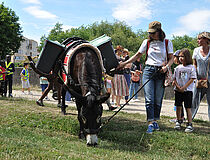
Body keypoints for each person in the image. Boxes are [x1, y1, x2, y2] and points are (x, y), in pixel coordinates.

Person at [118, 21, 174, 134]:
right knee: (149, 99)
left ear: (159, 32)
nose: (151, 35)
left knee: (158, 99)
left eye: (153, 33)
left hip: (161, 72)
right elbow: (138, 55)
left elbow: (171, 58)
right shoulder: (147, 42)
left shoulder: (167, 42)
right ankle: (150, 122)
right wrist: (124, 64)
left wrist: (166, 67)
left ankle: (155, 120)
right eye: (150, 33)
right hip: (148, 70)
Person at [173, 49, 196, 132]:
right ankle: (178, 121)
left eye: (182, 56)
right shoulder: (177, 68)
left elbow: (192, 78)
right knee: (178, 106)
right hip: (178, 91)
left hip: (188, 91)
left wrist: (184, 87)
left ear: (187, 57)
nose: (180, 58)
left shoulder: (191, 67)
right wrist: (178, 87)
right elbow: (174, 78)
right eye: (179, 57)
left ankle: (189, 123)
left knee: (188, 107)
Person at [191, 32, 210, 121]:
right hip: (199, 80)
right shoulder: (196, 50)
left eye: (199, 39)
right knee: (194, 100)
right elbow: (194, 64)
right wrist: (195, 75)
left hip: (209, 81)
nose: (198, 41)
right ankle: (189, 120)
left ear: (206, 39)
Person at [169, 50, 185, 123]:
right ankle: (181, 116)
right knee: (179, 103)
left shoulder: (180, 67)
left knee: (178, 103)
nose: (173, 59)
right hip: (179, 87)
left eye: (174, 57)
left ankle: (180, 117)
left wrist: (175, 83)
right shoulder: (180, 67)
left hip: (179, 88)